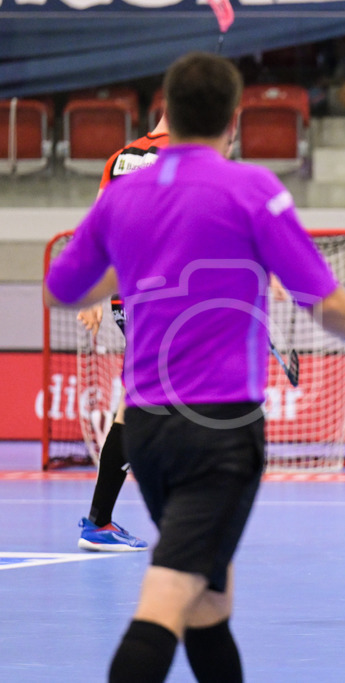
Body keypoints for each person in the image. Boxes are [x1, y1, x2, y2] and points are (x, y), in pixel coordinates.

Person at [44, 52, 345, 682]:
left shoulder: (124, 192)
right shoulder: (254, 190)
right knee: (171, 592)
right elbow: (325, 300)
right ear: (234, 120)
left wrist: (131, 262)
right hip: (220, 431)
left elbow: (63, 289)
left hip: (147, 431)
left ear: (166, 114)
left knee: (210, 600)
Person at [74, 112, 171, 553]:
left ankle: (102, 519)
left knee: (145, 400)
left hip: (126, 298)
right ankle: (102, 520)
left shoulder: (121, 158)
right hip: (164, 299)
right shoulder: (191, 157)